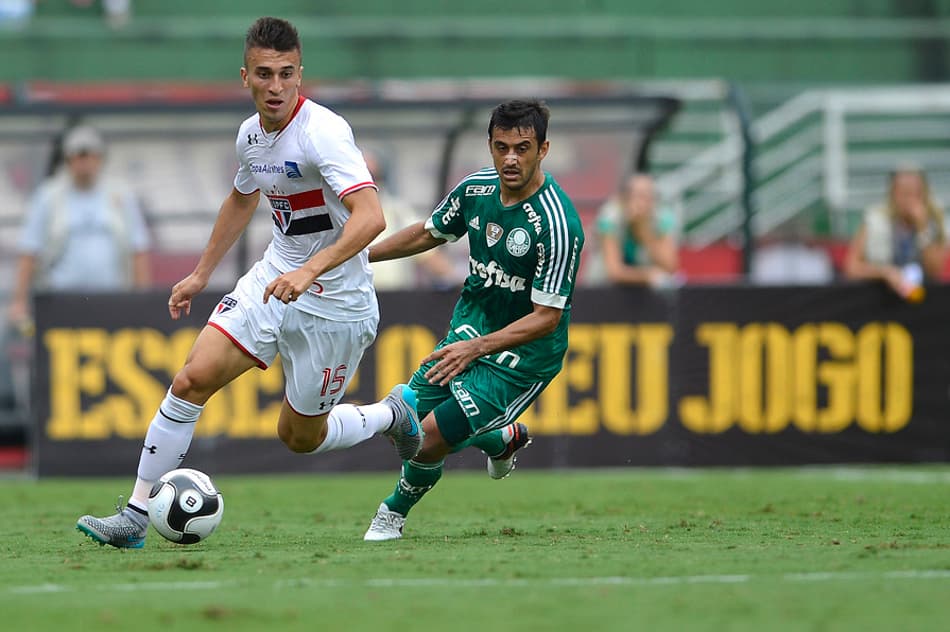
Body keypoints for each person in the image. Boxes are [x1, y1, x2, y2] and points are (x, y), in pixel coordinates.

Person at [76, 16, 421, 549]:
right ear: (245, 77)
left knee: (299, 437)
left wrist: (310, 271)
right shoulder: (250, 136)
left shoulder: (324, 133)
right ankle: (134, 516)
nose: (276, 86)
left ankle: (389, 414)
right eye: (265, 74)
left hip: (338, 302)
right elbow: (242, 197)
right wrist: (200, 273)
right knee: (191, 379)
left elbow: (370, 216)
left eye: (286, 74)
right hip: (273, 278)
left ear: (300, 74)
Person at [361, 99, 585, 541]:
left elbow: (546, 318)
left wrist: (477, 348)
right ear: (489, 145)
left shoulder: (559, 225)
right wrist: (358, 256)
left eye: (522, 148)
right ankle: (500, 439)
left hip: (522, 359)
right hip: (471, 325)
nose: (510, 159)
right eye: (501, 147)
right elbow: (429, 232)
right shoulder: (477, 189)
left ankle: (392, 513)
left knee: (426, 439)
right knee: (402, 423)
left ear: (544, 149)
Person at [8, 124, 151, 331]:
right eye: (78, 156)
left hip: (112, 301)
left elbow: (138, 250)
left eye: (89, 155)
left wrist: (141, 301)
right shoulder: (48, 197)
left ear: (100, 158)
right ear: (68, 160)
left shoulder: (120, 196)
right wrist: (19, 301)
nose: (84, 163)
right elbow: (29, 251)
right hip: (58, 302)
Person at [364, 150, 462, 290]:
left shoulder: (397, 211)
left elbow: (424, 243)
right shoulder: (337, 212)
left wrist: (457, 281)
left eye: (373, 176)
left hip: (395, 298)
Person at [844, 165, 946, 299]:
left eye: (916, 193)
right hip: (879, 302)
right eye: (904, 193)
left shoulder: (934, 222)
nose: (910, 200)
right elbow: (851, 268)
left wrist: (923, 228)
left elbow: (935, 271)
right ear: (892, 194)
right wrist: (885, 273)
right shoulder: (875, 221)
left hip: (922, 305)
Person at [593, 172, 679, 287]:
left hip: (646, 291)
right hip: (605, 288)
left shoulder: (662, 218)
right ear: (624, 198)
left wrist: (644, 231)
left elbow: (670, 266)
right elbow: (613, 271)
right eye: (640, 196)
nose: (644, 203)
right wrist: (647, 276)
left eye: (650, 197)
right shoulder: (609, 218)